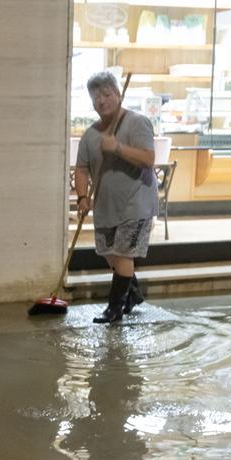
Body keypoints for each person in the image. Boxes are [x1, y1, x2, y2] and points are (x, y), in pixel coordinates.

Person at [73, 71, 158, 324]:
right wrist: (81, 197)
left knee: (122, 254)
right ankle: (131, 294)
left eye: (107, 94)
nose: (102, 101)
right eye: (96, 97)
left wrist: (117, 148)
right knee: (110, 254)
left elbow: (148, 159)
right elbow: (81, 168)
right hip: (106, 205)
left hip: (136, 202)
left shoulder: (137, 123)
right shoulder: (90, 135)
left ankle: (114, 309)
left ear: (118, 95)